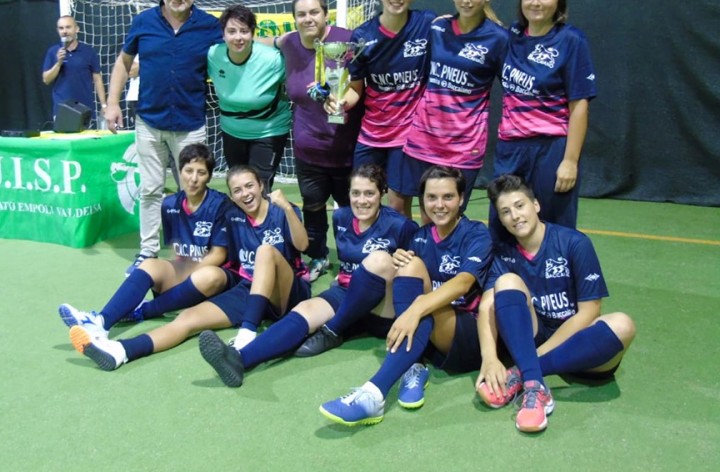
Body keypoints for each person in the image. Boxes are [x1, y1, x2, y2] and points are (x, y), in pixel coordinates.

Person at [68, 165, 311, 371]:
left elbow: (302, 245)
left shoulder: (281, 210)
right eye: (237, 190)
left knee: (265, 251)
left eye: (249, 186)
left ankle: (247, 335)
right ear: (232, 196)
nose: (245, 194)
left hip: (286, 291)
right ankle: (121, 350)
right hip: (249, 288)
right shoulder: (233, 215)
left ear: (261, 186)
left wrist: (288, 208)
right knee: (188, 318)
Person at [197, 164, 417, 387]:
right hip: (346, 293)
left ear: (382, 193)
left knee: (379, 260)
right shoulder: (341, 217)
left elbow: (415, 272)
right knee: (305, 309)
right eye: (355, 193)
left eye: (369, 193)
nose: (361, 201)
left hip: (381, 307)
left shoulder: (400, 225)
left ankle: (332, 331)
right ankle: (239, 359)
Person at [319, 166, 492, 426]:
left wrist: (416, 308)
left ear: (461, 199)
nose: (439, 205)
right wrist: (396, 259)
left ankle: (373, 394)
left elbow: (463, 283)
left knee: (423, 303)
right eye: (431, 197)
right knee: (407, 265)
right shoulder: (420, 237)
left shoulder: (476, 232)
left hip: (467, 332)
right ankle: (414, 366)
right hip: (431, 332)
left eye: (447, 197)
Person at [476, 174, 636, 433]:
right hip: (534, 336)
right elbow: (486, 306)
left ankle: (525, 374)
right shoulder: (503, 253)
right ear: (501, 220)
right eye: (505, 212)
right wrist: (490, 358)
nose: (515, 216)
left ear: (536, 205)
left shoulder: (574, 243)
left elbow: (590, 311)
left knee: (623, 324)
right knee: (506, 282)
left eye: (519, 205)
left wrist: (532, 360)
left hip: (577, 346)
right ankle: (535, 388)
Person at [103, 0, 223, 273]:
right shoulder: (143, 22)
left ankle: (193, 252)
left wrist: (282, 42)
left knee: (194, 190)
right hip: (149, 123)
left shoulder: (210, 26)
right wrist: (112, 103)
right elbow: (123, 63)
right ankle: (148, 251)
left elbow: (240, 47)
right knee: (150, 190)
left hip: (191, 125)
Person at [57, 143, 230, 340]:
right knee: (149, 264)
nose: (194, 178)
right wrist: (175, 275)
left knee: (209, 276)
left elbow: (219, 255)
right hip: (187, 274)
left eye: (201, 173)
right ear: (180, 171)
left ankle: (142, 310)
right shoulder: (169, 204)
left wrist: (186, 275)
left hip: (216, 279)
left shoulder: (220, 204)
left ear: (209, 176)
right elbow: (176, 250)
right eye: (188, 171)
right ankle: (100, 322)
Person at [490, 0, 597, 238]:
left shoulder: (571, 40)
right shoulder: (511, 37)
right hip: (510, 149)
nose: (536, 2)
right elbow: (483, 20)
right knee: (503, 226)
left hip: (551, 149)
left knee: (554, 229)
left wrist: (570, 161)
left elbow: (579, 106)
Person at [328, 0, 436, 218]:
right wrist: (340, 101)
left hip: (409, 134)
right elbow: (355, 89)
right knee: (363, 197)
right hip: (372, 133)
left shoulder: (427, 24)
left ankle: (405, 246)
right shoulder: (362, 36)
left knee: (398, 205)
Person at [402, 0, 509, 212]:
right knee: (428, 214)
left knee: (449, 216)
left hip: (464, 146)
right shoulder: (438, 28)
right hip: (424, 139)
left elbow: (513, 89)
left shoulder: (499, 38)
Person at [279, 0, 364, 281]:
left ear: (326, 14)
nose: (308, 19)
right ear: (294, 19)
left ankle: (354, 261)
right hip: (308, 151)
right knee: (313, 210)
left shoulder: (347, 41)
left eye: (314, 12)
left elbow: (358, 86)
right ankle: (318, 258)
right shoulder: (289, 43)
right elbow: (269, 40)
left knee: (352, 211)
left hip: (346, 150)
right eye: (301, 14)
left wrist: (343, 103)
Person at [208, 5, 291, 191]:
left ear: (253, 34)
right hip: (231, 131)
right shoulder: (213, 55)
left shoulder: (272, 60)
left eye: (244, 31)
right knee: (238, 187)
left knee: (259, 189)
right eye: (232, 31)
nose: (238, 37)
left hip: (268, 132)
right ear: (223, 35)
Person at [41, 15, 107, 122]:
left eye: (68, 27)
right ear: (57, 31)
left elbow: (97, 79)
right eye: (61, 28)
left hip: (85, 108)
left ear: (77, 29)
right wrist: (58, 63)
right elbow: (46, 79)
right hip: (62, 108)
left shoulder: (88, 51)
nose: (64, 31)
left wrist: (104, 105)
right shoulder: (53, 51)